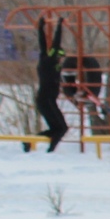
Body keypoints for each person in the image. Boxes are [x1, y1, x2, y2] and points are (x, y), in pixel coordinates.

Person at [31, 19, 70, 151]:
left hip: (46, 100)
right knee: (62, 128)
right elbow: (54, 44)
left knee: (57, 129)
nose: (61, 60)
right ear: (57, 56)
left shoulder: (44, 59)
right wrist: (59, 26)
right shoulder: (49, 62)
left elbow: (42, 44)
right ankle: (50, 151)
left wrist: (41, 28)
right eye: (60, 57)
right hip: (46, 100)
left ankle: (30, 142)